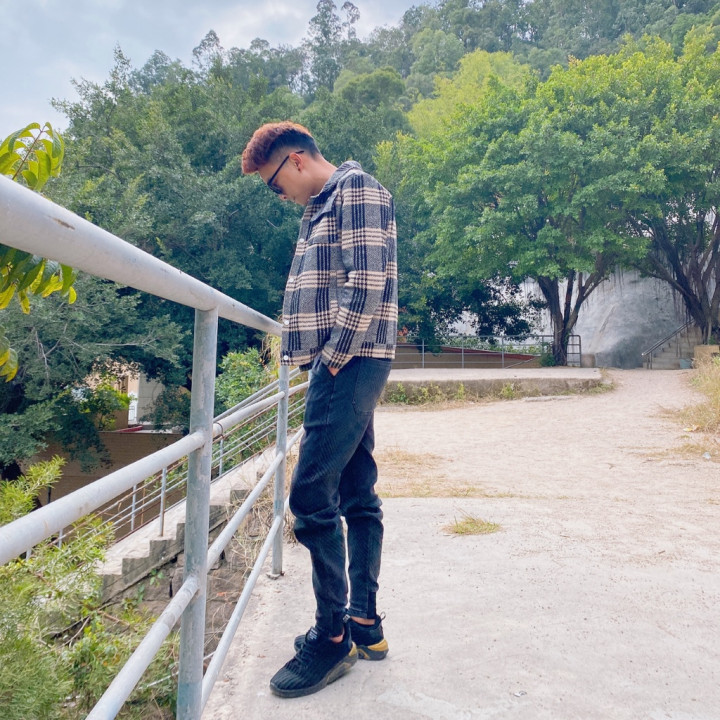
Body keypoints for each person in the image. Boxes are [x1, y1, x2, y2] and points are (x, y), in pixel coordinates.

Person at [241, 121, 398, 698]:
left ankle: (332, 639)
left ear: (298, 160)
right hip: (347, 360)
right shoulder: (320, 206)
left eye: (273, 183)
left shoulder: (356, 189)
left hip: (349, 360)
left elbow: (368, 282)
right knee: (356, 490)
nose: (277, 195)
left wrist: (330, 360)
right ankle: (364, 622)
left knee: (309, 497)